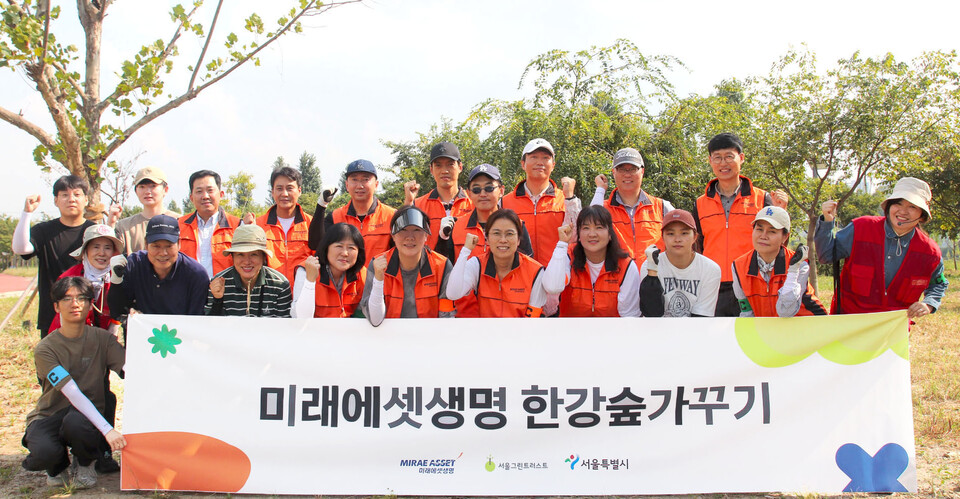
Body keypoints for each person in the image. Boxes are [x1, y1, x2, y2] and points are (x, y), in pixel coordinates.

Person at [21, 277, 126, 489]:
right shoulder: (45, 349)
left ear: (90, 304)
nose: (75, 304)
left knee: (77, 423)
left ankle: (86, 462)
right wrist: (108, 430)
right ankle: (57, 465)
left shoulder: (103, 340)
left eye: (81, 298)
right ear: (56, 306)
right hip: (50, 414)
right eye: (67, 299)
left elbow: (129, 371)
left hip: (84, 418)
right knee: (44, 452)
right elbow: (72, 393)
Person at [815, 177, 948, 318]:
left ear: (922, 216)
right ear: (889, 206)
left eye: (912, 206)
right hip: (848, 323)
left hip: (892, 330)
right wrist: (827, 222)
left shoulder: (929, 252)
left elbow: (939, 284)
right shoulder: (861, 228)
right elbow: (826, 255)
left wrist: (928, 304)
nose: (903, 211)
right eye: (898, 204)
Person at [691, 132, 787, 317]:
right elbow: (697, 246)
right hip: (712, 284)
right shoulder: (700, 203)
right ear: (710, 161)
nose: (723, 163)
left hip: (752, 282)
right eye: (717, 158)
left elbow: (777, 240)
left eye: (729, 156)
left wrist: (780, 212)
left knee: (751, 340)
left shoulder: (762, 198)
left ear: (741, 158)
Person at [434, 164, 533, 317]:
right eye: (476, 189)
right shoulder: (456, 226)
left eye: (488, 188)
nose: (482, 194)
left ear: (501, 190)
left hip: (509, 315)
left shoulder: (518, 226)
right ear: (468, 193)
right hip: (464, 314)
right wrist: (442, 238)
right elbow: (445, 270)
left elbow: (528, 270)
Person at [13, 175, 95, 337]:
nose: (71, 199)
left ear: (86, 200)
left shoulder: (94, 231)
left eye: (77, 194)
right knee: (53, 360)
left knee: (88, 360)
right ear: (56, 201)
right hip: (53, 313)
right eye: (64, 195)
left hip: (89, 313)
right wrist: (26, 213)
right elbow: (21, 248)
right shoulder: (43, 231)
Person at [359, 206, 454, 325]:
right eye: (403, 230)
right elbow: (375, 319)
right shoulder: (378, 264)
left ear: (426, 236)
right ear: (393, 235)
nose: (410, 237)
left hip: (429, 337)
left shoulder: (442, 266)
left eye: (416, 230)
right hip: (389, 338)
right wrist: (378, 279)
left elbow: (446, 319)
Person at [446, 209, 547, 317]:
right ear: (487, 239)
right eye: (496, 233)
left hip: (521, 332)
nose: (503, 240)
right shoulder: (477, 265)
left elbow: (533, 320)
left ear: (518, 240)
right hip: (486, 332)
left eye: (509, 234)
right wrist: (465, 251)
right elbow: (452, 293)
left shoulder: (535, 271)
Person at [542, 205, 641, 317]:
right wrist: (562, 244)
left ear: (610, 234)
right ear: (578, 235)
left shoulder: (625, 266)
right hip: (571, 331)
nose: (592, 234)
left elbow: (630, 316)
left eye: (599, 227)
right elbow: (552, 286)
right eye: (586, 228)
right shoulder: (568, 256)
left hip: (613, 332)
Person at [731, 206, 826, 317]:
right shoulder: (738, 266)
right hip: (771, 330)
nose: (763, 236)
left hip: (809, 326)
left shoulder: (799, 264)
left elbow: (785, 311)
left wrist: (793, 271)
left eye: (772, 231)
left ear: (785, 237)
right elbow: (746, 313)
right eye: (759, 229)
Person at [107, 214, 209, 316]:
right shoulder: (134, 265)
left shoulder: (196, 274)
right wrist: (116, 280)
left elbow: (196, 321)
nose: (163, 253)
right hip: (141, 331)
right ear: (146, 244)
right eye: (156, 246)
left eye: (169, 246)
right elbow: (117, 312)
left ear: (179, 244)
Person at [501, 138, 581, 266]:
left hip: (558, 275)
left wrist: (570, 197)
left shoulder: (566, 200)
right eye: (533, 157)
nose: (540, 162)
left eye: (545, 158)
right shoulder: (505, 203)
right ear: (523, 164)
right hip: (518, 276)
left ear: (553, 165)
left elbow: (576, 238)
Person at [591, 147, 675, 267]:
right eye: (621, 169)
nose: (627, 174)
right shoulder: (602, 208)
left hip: (655, 281)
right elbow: (587, 233)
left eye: (633, 169)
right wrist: (600, 189)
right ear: (613, 172)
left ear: (642, 171)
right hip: (615, 281)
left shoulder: (662, 208)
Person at [639, 210, 721, 317]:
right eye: (671, 234)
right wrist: (652, 271)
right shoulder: (649, 265)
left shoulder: (710, 269)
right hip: (658, 330)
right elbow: (652, 314)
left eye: (684, 233)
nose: (677, 239)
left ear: (695, 237)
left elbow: (702, 317)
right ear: (662, 237)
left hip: (696, 331)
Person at [48, 224, 123, 335]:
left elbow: (121, 309)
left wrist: (113, 329)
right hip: (69, 336)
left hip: (106, 338)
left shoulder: (118, 277)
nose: (102, 253)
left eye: (107, 248)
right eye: (96, 247)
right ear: (85, 250)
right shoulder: (69, 277)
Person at [206, 224, 292, 317]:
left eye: (254, 254)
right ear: (232, 257)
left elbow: (285, 327)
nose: (247, 261)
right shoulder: (218, 283)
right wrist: (217, 300)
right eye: (240, 254)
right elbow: (210, 326)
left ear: (263, 258)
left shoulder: (280, 285)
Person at [322, 159, 397, 261]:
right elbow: (319, 247)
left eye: (365, 179)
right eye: (354, 180)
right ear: (347, 185)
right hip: (346, 277)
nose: (359, 186)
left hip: (380, 276)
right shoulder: (334, 217)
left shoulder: (392, 216)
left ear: (376, 184)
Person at [403, 141, 473, 248]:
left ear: (460, 167)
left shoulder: (473, 204)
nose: (444, 171)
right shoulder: (418, 205)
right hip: (430, 264)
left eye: (450, 164)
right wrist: (408, 203)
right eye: (438, 165)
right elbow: (404, 238)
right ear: (431, 169)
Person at [250, 166, 313, 286]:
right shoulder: (258, 226)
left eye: (290, 188)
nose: (284, 194)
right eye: (279, 188)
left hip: (303, 294)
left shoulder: (311, 224)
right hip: (269, 295)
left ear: (299, 191)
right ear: (272, 192)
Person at [293, 223, 368, 318]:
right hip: (313, 331)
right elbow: (299, 317)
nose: (345, 253)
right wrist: (310, 281)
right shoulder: (305, 270)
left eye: (351, 248)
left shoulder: (362, 274)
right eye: (339, 246)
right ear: (326, 247)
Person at [178, 170, 240, 279]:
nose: (205, 196)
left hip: (226, 292)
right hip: (189, 293)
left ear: (221, 195)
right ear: (191, 197)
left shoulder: (237, 226)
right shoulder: (178, 225)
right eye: (199, 191)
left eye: (210, 190)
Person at [109, 167, 179, 255]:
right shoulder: (124, 226)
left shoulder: (179, 222)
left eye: (153, 186)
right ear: (136, 191)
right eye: (142, 187)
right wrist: (111, 224)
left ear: (165, 190)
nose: (147, 191)